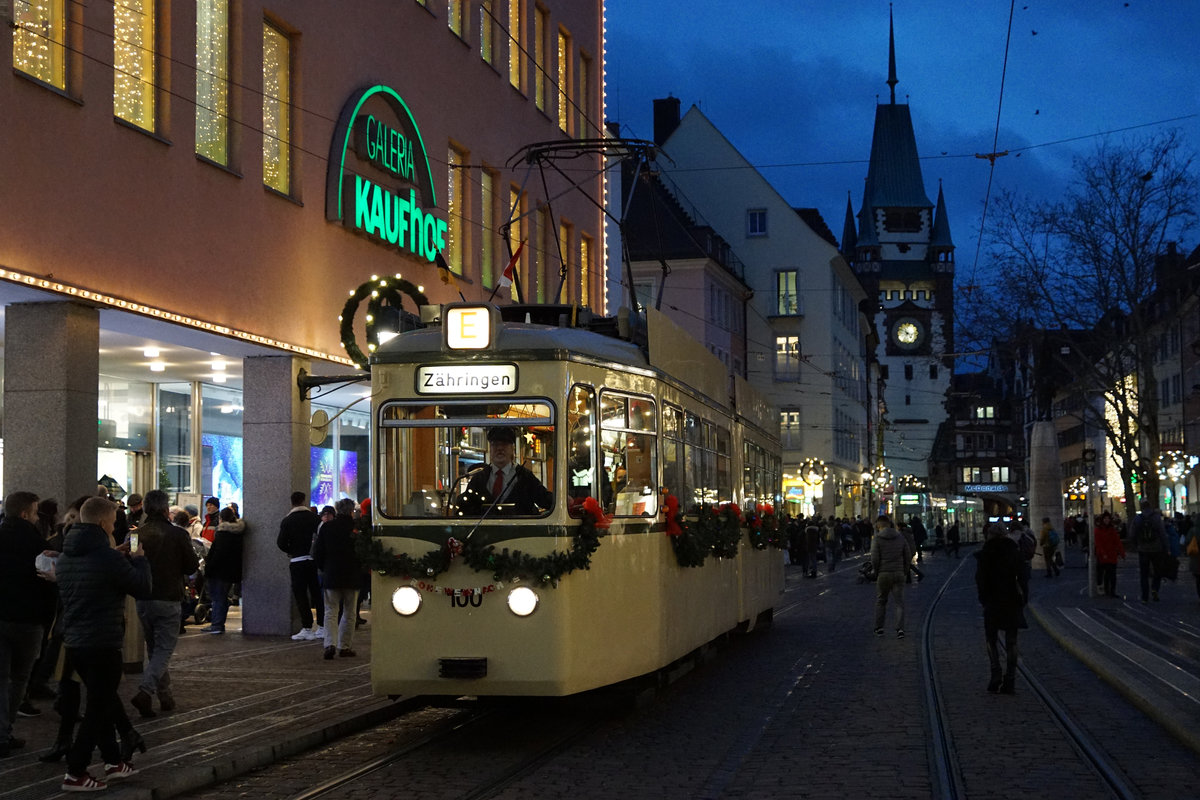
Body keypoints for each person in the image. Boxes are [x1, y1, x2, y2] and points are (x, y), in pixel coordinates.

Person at [56, 496, 152, 791]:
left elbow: (94, 575)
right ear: (102, 523)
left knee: (104, 699)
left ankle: (114, 761)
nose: (114, 527)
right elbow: (142, 588)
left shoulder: (66, 556)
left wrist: (117, 555)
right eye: (112, 522)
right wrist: (140, 559)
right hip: (103, 640)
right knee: (98, 707)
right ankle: (76, 771)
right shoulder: (107, 558)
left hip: (75, 641)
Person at [131, 490, 199, 718]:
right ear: (164, 509)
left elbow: (131, 564)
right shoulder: (178, 534)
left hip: (142, 598)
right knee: (163, 650)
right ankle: (145, 691)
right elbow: (191, 567)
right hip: (169, 598)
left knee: (154, 648)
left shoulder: (135, 535)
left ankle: (166, 696)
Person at [0, 491, 55, 757]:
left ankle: (1, 733)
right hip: (28, 619)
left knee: (0, 678)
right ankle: (5, 729)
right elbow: (44, 581)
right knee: (19, 677)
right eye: (34, 513)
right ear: (24, 514)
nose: (36, 518)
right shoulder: (36, 543)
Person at [975, 522, 1027, 694]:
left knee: (991, 638)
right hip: (1012, 599)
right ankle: (1010, 679)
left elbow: (980, 579)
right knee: (1011, 641)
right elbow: (1023, 577)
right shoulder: (1014, 551)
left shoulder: (985, 553)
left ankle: (995, 672)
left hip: (992, 600)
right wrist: (1023, 598)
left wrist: (983, 598)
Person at [455, 427, 553, 516]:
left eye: (504, 444)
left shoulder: (525, 477)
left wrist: (565, 502)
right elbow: (466, 508)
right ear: (490, 448)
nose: (500, 448)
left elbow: (544, 499)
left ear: (512, 449)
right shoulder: (480, 478)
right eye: (495, 444)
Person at [312, 498, 363, 659]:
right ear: (351, 511)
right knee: (350, 612)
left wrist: (324, 568)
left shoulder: (327, 527)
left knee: (330, 611)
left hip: (331, 574)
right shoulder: (357, 528)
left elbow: (318, 552)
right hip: (352, 575)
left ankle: (329, 644)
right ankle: (345, 646)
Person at [278, 491, 325, 641]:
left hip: (297, 561)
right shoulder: (315, 518)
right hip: (313, 561)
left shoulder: (287, 520)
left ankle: (307, 627)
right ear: (304, 501)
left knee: (301, 595)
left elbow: (280, 542)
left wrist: (291, 551)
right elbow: (322, 538)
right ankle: (322, 626)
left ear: (292, 502)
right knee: (317, 593)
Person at [200, 508, 245, 635]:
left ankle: (217, 625)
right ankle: (218, 623)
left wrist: (208, 568)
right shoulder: (238, 534)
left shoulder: (222, 534)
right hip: (231, 571)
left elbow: (217, 555)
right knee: (223, 597)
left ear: (221, 519)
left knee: (217, 597)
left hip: (218, 571)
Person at [871, 514, 912, 638]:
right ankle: (900, 629)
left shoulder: (877, 539)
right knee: (899, 603)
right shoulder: (900, 537)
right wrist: (904, 570)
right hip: (899, 573)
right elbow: (908, 555)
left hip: (883, 573)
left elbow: (874, 558)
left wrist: (876, 572)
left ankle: (879, 628)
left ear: (878, 526)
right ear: (889, 524)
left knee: (881, 601)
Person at [1132, 500, 1167, 602]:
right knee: (1157, 571)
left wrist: (1136, 544)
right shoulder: (1156, 517)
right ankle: (1155, 589)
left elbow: (1132, 533)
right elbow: (1162, 532)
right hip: (1156, 548)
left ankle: (1144, 596)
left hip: (1143, 549)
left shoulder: (1138, 518)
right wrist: (1166, 547)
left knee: (1144, 574)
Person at [1093, 511, 1125, 598]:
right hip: (1103, 555)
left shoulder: (1112, 530)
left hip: (1111, 554)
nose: (1107, 520)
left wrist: (1122, 552)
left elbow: (1117, 542)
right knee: (1105, 573)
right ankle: (1107, 590)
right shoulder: (1099, 530)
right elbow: (1098, 543)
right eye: (1105, 519)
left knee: (1112, 574)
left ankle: (1112, 591)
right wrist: (1102, 553)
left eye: (1108, 519)